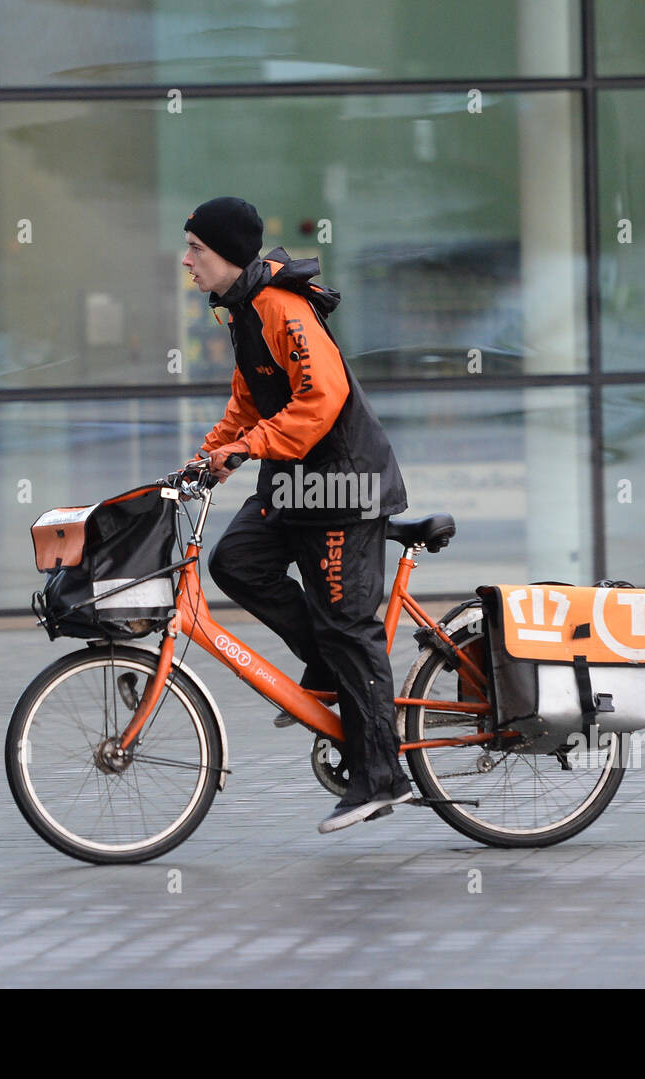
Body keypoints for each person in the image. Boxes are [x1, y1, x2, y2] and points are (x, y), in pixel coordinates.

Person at [181, 195, 412, 834]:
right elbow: (247, 403)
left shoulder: (283, 307)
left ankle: (382, 776)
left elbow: (324, 396)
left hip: (343, 486)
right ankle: (325, 667)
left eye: (196, 249)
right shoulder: (244, 313)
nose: (187, 261)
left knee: (348, 625)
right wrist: (204, 460)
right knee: (237, 561)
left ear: (227, 253)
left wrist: (249, 447)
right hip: (296, 484)